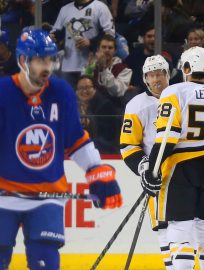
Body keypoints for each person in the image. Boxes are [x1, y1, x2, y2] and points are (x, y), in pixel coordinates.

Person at [0, 29, 122, 269]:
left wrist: (96, 170)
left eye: (50, 59)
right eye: (40, 60)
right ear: (23, 61)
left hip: (48, 196)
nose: (47, 66)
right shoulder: (3, 93)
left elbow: (75, 139)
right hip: (4, 196)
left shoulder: (61, 92)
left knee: (45, 263)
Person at [140, 46, 204, 270]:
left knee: (180, 230)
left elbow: (168, 136)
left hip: (182, 169)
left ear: (187, 67)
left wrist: (153, 170)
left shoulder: (174, 92)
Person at [120, 55, 173, 269]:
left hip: (185, 170)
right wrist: (145, 168)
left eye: (160, 73)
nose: (157, 78)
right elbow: (128, 145)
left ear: (168, 75)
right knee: (163, 227)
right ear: (145, 78)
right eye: (152, 74)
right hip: (159, 177)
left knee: (190, 226)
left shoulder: (181, 96)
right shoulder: (136, 105)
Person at [52, 0, 115, 88]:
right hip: (68, 64)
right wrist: (54, 37)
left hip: (91, 64)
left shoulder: (100, 7)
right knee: (70, 99)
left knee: (88, 98)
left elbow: (110, 34)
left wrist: (91, 42)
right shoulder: (65, 9)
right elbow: (56, 32)